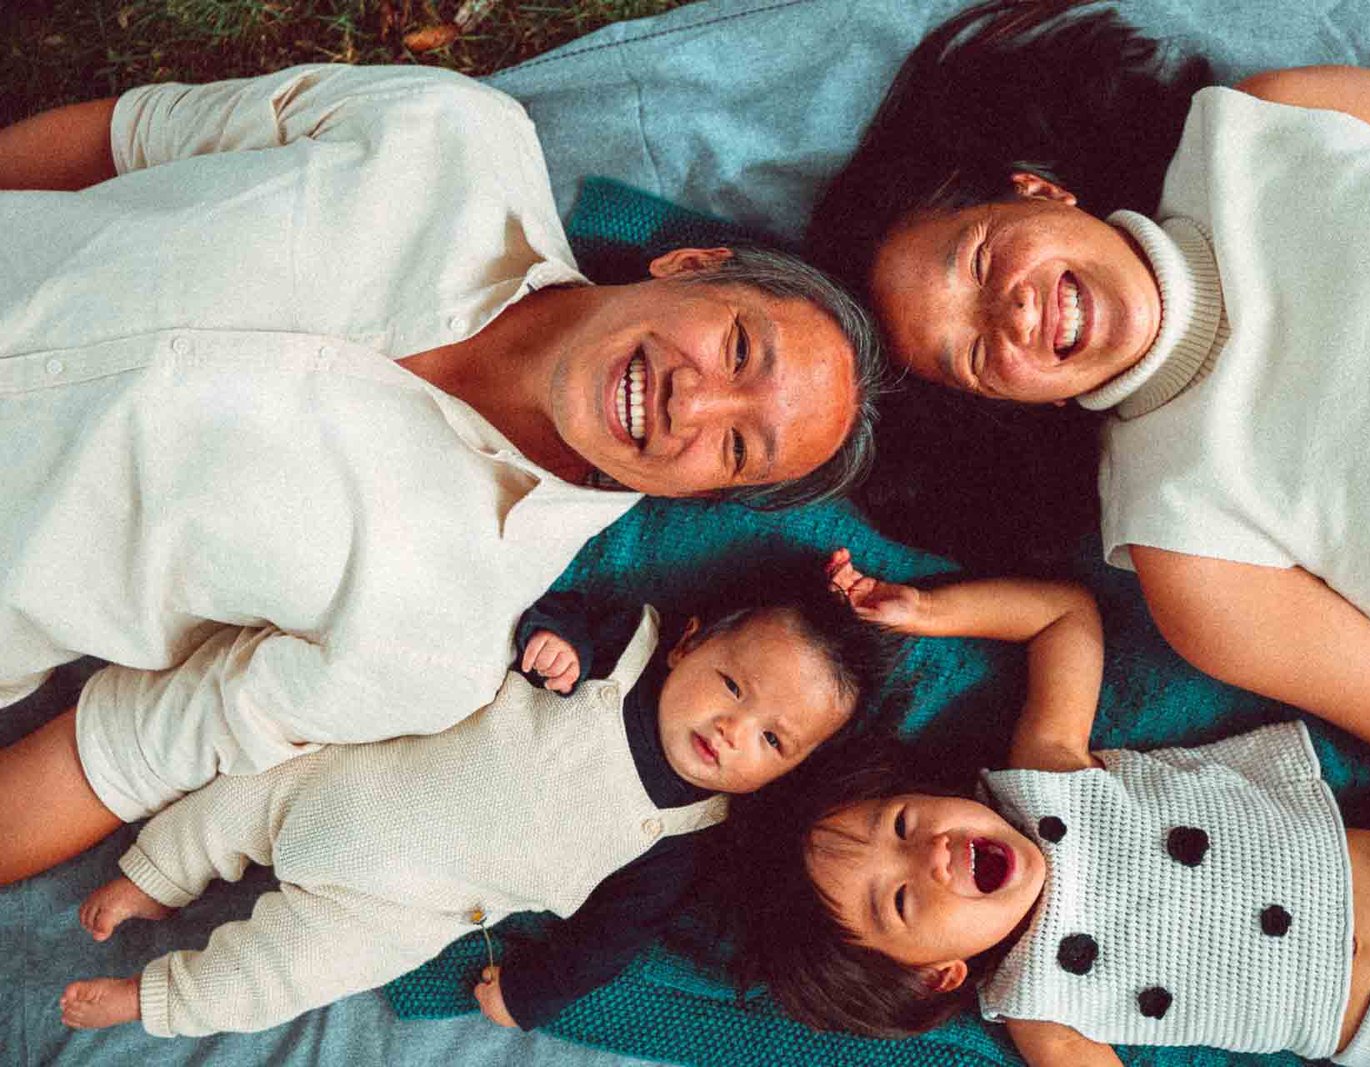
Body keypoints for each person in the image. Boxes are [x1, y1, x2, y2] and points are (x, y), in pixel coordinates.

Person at [0, 63, 882, 884]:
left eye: (734, 449)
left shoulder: (440, 641)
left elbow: (113, 757)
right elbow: (135, 137)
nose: (692, 405)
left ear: (702, 498)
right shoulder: (456, 135)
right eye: (736, 348)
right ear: (690, 266)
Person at [805, 0, 1370, 858]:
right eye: (973, 352)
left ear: (1039, 190)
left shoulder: (1276, 119)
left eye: (985, 259)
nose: (1014, 310)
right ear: (1009, 405)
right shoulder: (1192, 556)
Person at [743, 562, 1370, 1066]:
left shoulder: (1045, 779)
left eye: (899, 821)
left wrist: (934, 611)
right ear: (938, 975)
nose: (926, 853)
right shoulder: (1040, 1006)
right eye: (900, 901)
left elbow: (1062, 617)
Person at [51, 559, 900, 1037]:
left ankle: (157, 1000)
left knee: (283, 974)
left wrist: (531, 993)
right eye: (732, 684)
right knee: (228, 802)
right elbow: (548, 605)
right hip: (351, 775)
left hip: (407, 911)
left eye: (772, 740)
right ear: (688, 644)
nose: (733, 727)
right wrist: (557, 636)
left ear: (786, 772)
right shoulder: (624, 649)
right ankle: (151, 878)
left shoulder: (681, 836)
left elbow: (611, 939)